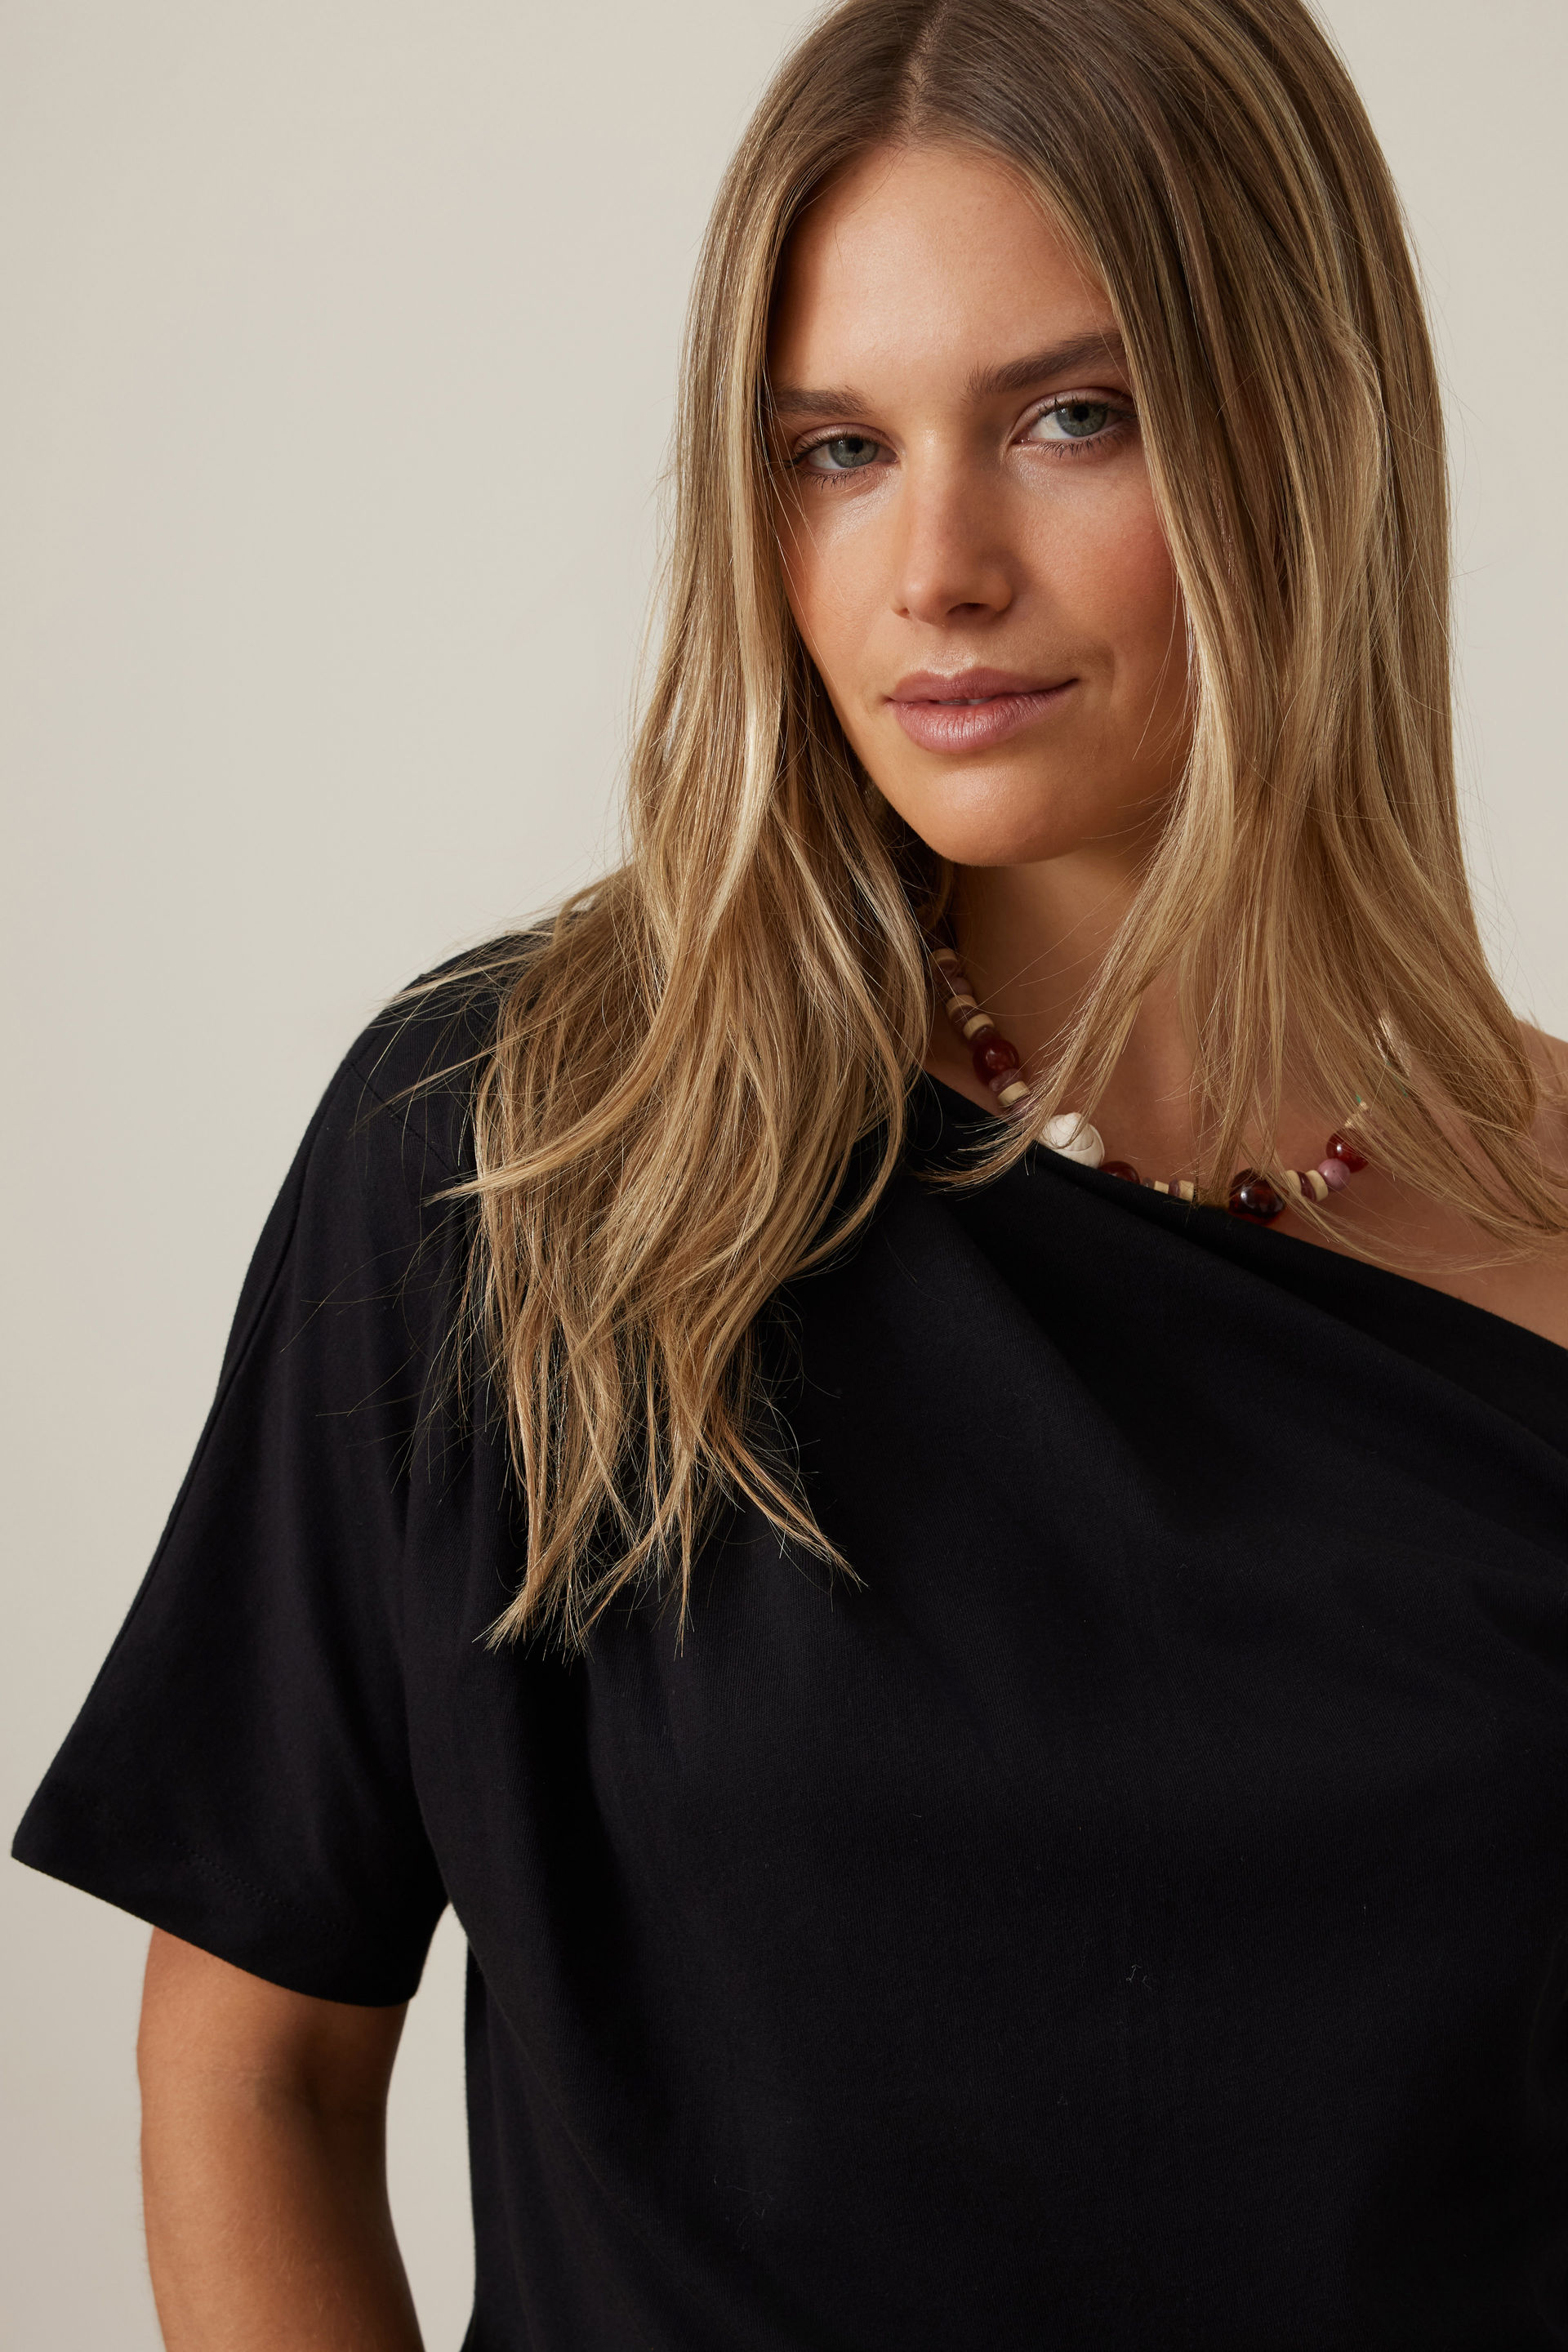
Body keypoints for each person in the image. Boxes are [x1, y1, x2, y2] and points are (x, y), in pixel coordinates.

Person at [16, 0, 1568, 2343]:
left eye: (1072, 416)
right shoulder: (525, 1154)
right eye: (837, 449)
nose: (935, 568)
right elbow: (256, 2072)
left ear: (1312, 435)